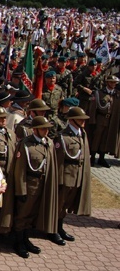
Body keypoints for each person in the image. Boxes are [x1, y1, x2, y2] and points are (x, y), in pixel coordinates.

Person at [11, 116, 61, 258]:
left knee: (32, 214)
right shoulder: (26, 144)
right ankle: (19, 241)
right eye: (43, 128)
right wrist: (21, 190)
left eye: (47, 128)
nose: (46, 131)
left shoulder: (49, 143)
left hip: (42, 185)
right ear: (35, 129)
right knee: (22, 215)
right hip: (30, 184)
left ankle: (26, 239)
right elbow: (20, 169)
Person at [54, 107, 92, 241]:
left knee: (65, 205)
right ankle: (53, 230)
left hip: (77, 176)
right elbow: (58, 161)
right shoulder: (62, 136)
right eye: (80, 119)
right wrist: (58, 180)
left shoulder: (82, 134)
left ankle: (60, 227)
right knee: (59, 204)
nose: (83, 122)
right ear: (72, 120)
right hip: (66, 176)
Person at [87, 75, 120, 168]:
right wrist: (92, 120)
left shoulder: (117, 94)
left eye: (115, 83)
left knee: (105, 139)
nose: (113, 84)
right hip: (100, 118)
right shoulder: (99, 93)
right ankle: (92, 157)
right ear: (107, 82)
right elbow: (93, 107)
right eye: (112, 82)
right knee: (97, 138)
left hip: (112, 120)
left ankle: (102, 158)